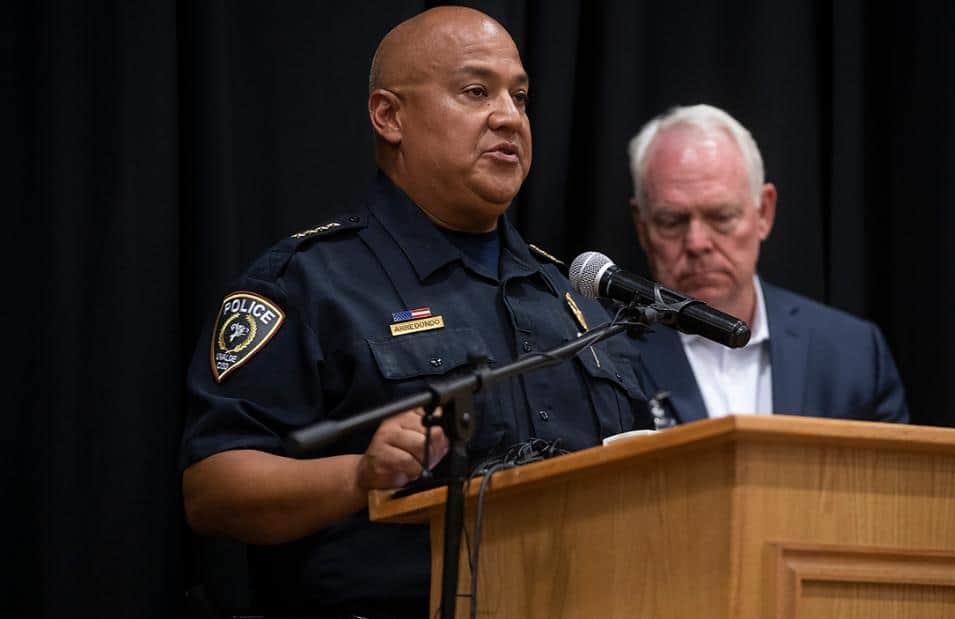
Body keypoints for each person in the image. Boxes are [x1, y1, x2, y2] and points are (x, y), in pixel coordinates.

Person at [180, 7, 648, 618]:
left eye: (521, 97)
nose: (509, 116)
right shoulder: (312, 282)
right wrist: (359, 476)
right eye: (476, 91)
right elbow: (213, 488)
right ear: (389, 116)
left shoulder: (570, 295)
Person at [626, 104, 908, 424]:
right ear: (642, 226)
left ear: (764, 212)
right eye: (672, 221)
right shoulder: (603, 355)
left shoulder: (852, 354)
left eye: (721, 217)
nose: (696, 243)